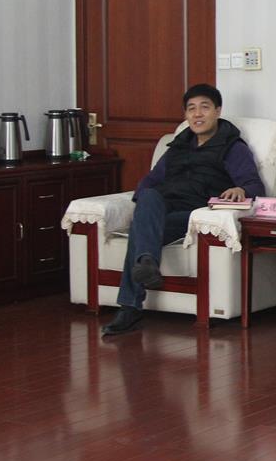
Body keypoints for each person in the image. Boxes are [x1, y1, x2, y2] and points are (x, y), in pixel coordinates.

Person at [102, 84, 266, 335]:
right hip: (164, 209)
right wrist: (145, 205)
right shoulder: (178, 146)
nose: (197, 114)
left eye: (204, 107)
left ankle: (130, 306)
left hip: (194, 214)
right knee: (148, 197)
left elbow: (255, 185)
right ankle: (146, 263)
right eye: (191, 109)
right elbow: (150, 181)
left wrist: (241, 189)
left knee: (140, 229)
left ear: (217, 111)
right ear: (186, 115)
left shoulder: (233, 147)